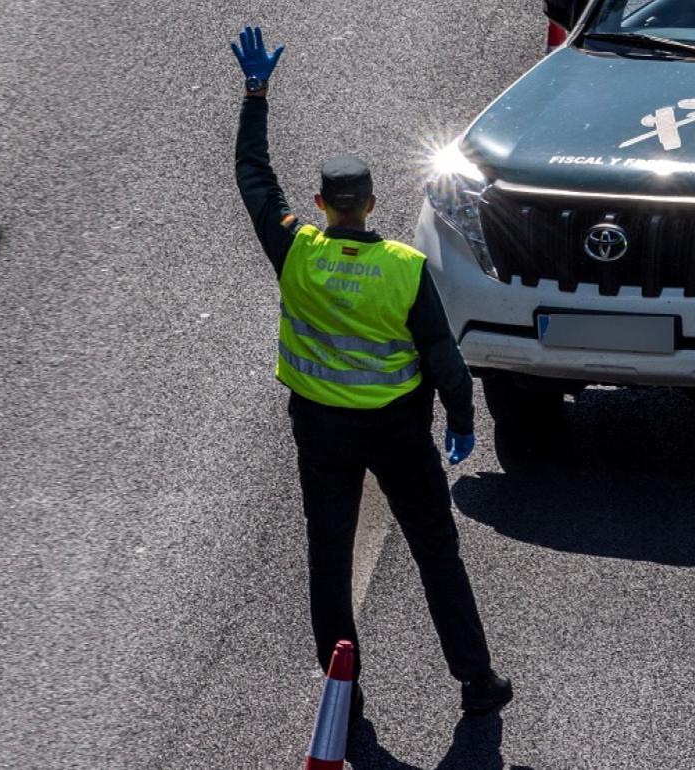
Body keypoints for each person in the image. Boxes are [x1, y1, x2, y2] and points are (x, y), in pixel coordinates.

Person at [229, 25, 513, 723]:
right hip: (398, 434)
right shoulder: (402, 269)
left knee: (329, 555)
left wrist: (256, 94)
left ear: (323, 205)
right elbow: (445, 360)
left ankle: (342, 688)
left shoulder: (296, 249)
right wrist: (464, 425)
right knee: (435, 552)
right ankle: (476, 681)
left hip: (320, 432)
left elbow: (252, 174)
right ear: (373, 205)